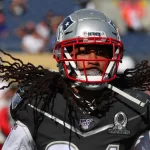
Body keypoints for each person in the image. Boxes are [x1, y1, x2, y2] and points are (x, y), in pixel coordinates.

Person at [0, 9, 150, 150]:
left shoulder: (135, 108)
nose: (93, 59)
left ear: (115, 55)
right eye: (83, 51)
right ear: (63, 55)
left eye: (101, 51)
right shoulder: (37, 103)